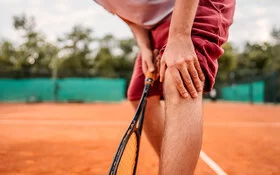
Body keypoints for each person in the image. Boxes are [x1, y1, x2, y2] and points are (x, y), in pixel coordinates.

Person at [93, 0, 235, 174]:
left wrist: (180, 36)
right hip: (157, 24)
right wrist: (144, 46)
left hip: (196, 4)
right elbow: (127, 14)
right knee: (139, 95)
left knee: (179, 77)